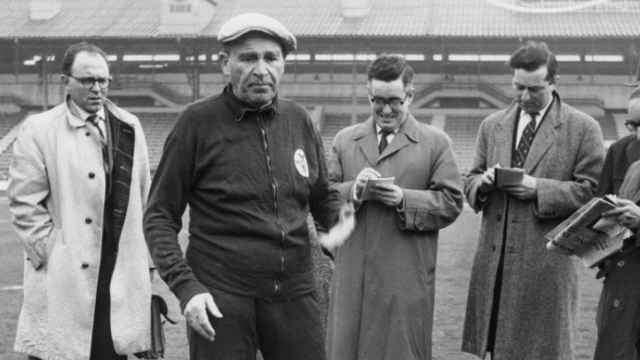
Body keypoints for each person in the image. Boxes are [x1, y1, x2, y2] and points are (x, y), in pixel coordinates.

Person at [143, 13, 351, 360]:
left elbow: (320, 194)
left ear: (283, 63)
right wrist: (187, 288)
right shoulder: (196, 123)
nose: (261, 69)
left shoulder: (299, 120)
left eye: (271, 58)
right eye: (248, 58)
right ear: (225, 63)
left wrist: (341, 222)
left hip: (294, 292)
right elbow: (159, 216)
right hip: (220, 293)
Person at [461, 41, 605, 360]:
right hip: (495, 261)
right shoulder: (491, 125)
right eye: (518, 87)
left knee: (544, 350)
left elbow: (591, 192)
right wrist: (482, 184)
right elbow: (468, 178)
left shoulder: (583, 128)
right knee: (498, 350)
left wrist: (539, 188)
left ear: (553, 83)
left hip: (547, 266)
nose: (524, 97)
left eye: (534, 90)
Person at [9, 42, 152, 360]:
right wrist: (49, 251)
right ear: (66, 81)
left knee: (111, 352)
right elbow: (23, 203)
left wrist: (146, 263)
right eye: (87, 80)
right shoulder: (38, 129)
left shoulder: (129, 126)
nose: (97, 88)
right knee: (60, 351)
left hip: (117, 272)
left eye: (103, 80)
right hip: (64, 274)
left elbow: (143, 198)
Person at [326, 54, 464, 360]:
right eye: (378, 100)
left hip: (405, 276)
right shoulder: (344, 140)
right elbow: (322, 198)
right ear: (369, 95)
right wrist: (355, 191)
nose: (386, 109)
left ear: (410, 96)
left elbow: (453, 201)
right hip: (352, 276)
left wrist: (404, 199)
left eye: (395, 100)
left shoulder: (436, 143)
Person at [592, 87, 640, 360]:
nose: (638, 134)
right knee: (616, 351)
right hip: (623, 275)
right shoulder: (620, 150)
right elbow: (600, 203)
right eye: (632, 124)